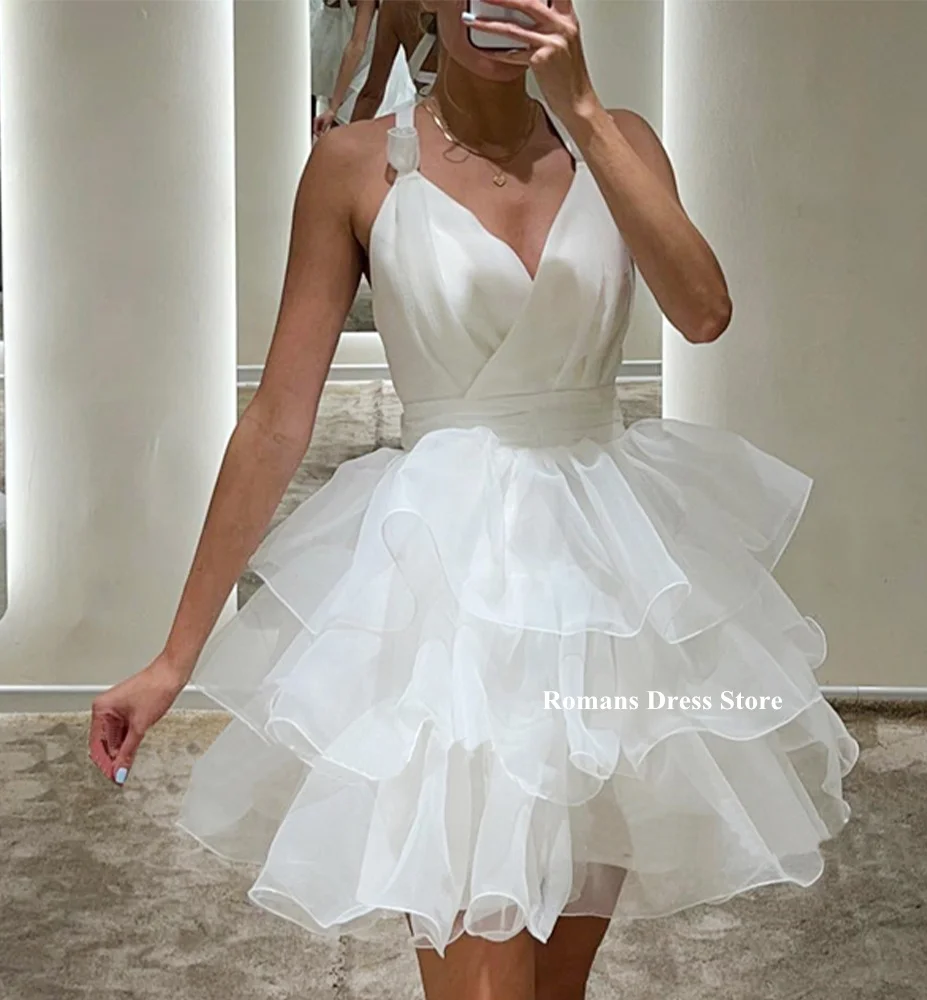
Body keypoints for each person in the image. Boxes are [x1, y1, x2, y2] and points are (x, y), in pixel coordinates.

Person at [89, 2, 859, 998]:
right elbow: (277, 420)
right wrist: (175, 656)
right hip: (448, 604)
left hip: (601, 593)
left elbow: (703, 311)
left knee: (556, 985)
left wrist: (583, 112)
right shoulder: (356, 166)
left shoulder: (616, 142)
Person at [312, 0, 416, 137]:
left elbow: (357, 46)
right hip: (344, 64)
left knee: (352, 131)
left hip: (373, 64)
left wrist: (333, 108)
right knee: (339, 131)